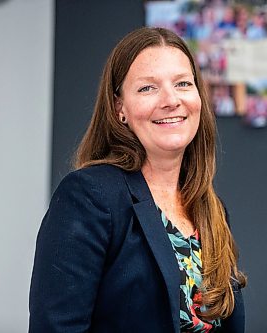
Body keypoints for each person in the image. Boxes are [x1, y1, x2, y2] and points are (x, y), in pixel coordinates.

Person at [29, 27, 246, 333]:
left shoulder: (209, 208)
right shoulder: (89, 196)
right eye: (148, 88)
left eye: (183, 83)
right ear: (120, 108)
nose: (171, 100)